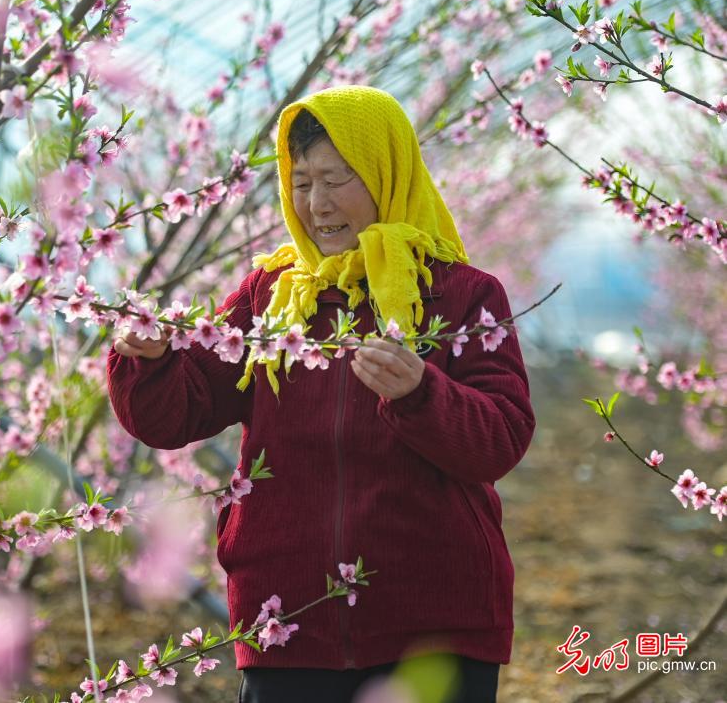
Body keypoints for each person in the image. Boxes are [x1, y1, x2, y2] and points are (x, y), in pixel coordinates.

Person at [106, 85, 535, 703]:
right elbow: (177, 413)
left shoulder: (461, 296)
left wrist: (422, 393)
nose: (317, 203)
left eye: (338, 179)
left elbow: (501, 437)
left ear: (387, 174)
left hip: (433, 623)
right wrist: (147, 359)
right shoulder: (272, 298)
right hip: (287, 618)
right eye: (301, 181)